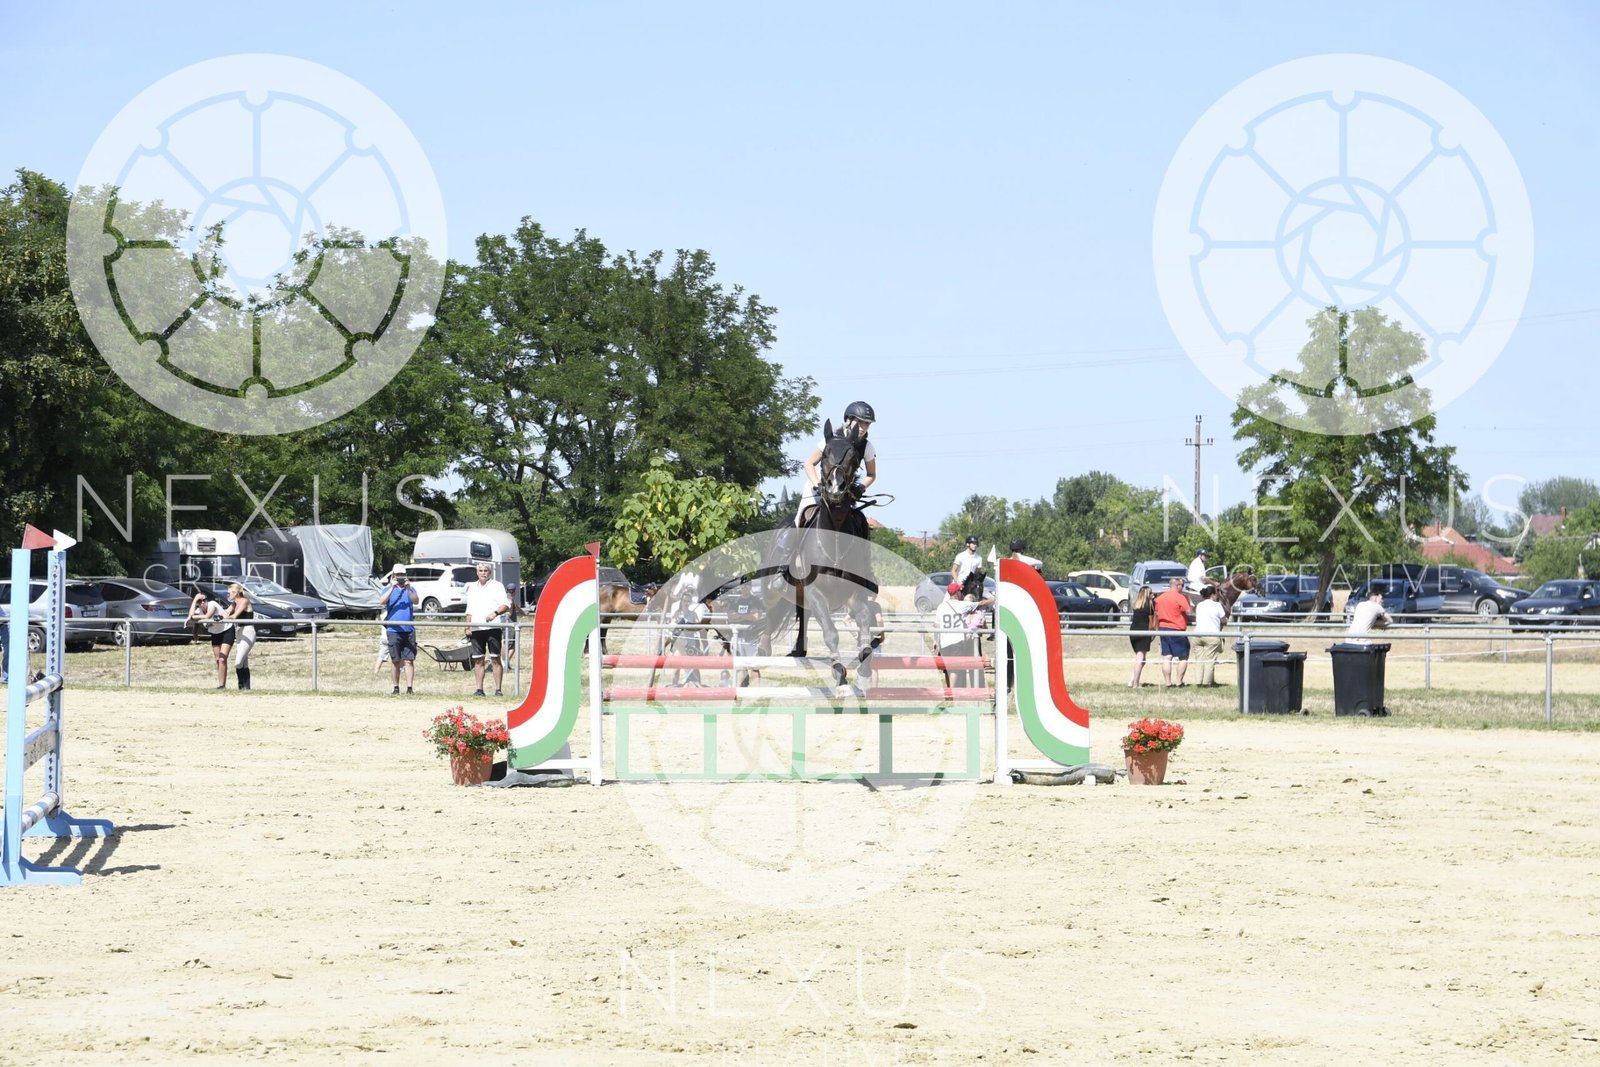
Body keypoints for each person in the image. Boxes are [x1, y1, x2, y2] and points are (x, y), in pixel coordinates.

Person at [797, 400, 877, 523]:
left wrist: (860, 488)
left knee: (859, 523)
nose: (863, 427)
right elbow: (809, 464)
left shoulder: (867, 447)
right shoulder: (831, 440)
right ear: (848, 420)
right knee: (802, 518)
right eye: (859, 422)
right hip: (820, 484)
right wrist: (817, 484)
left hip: (844, 490)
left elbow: (871, 475)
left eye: (867, 423)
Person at [464, 562, 512, 697]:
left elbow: (506, 605)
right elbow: (469, 609)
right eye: (480, 571)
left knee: (495, 659)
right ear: (477, 572)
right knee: (478, 660)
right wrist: (467, 626)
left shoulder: (497, 586)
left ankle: (498, 690)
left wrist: (495, 613)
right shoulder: (472, 587)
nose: (483, 573)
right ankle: (479, 689)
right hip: (476, 628)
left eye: (485, 571)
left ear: (490, 572)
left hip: (493, 627)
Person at [383, 564, 420, 695]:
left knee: (409, 660)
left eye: (402, 575)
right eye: (398, 575)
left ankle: (409, 688)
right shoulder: (387, 589)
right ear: (393, 575)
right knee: (395, 661)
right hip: (393, 630)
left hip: (408, 630)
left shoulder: (410, 589)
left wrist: (409, 588)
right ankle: (396, 687)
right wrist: (392, 587)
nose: (400, 577)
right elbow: (381, 601)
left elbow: (416, 601)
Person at [187, 591, 232, 689]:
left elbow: (207, 616)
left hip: (227, 630)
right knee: (218, 660)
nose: (203, 602)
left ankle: (222, 686)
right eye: (199, 601)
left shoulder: (212, 604)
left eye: (204, 600)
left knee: (222, 659)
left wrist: (193, 617)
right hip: (215, 633)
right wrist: (194, 601)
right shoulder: (199, 610)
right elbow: (190, 615)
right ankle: (221, 685)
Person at [1154, 576, 1193, 688]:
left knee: (1167, 657)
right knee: (1183, 656)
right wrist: (1190, 605)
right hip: (1177, 629)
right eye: (1182, 585)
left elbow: (1157, 612)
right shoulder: (1180, 597)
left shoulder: (1160, 598)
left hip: (1163, 628)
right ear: (1177, 585)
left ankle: (1168, 682)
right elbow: (1189, 612)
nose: (1183, 587)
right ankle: (1179, 682)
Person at [222, 582, 257, 691]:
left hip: (248, 631)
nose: (228, 595)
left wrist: (225, 617)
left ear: (235, 593)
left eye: (229, 593)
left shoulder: (244, 601)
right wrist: (222, 615)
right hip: (239, 631)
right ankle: (244, 688)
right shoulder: (234, 603)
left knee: (238, 662)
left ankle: (242, 685)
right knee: (244, 662)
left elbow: (234, 616)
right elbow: (226, 613)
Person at [1191, 585, 1227, 687]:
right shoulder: (1217, 605)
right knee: (1210, 660)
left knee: (1199, 660)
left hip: (1197, 634)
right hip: (1211, 635)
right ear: (1212, 595)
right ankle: (1206, 683)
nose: (1217, 596)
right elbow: (1223, 619)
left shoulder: (1199, 605)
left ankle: (1198, 682)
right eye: (1216, 594)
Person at [1127, 585, 1155, 687]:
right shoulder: (1150, 605)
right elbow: (1152, 622)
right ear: (1147, 594)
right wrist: (1153, 634)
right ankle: (1136, 684)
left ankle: (1132, 680)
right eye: (1151, 593)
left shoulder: (1136, 605)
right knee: (1140, 659)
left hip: (1133, 632)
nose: (1152, 595)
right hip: (1143, 632)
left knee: (1141, 659)